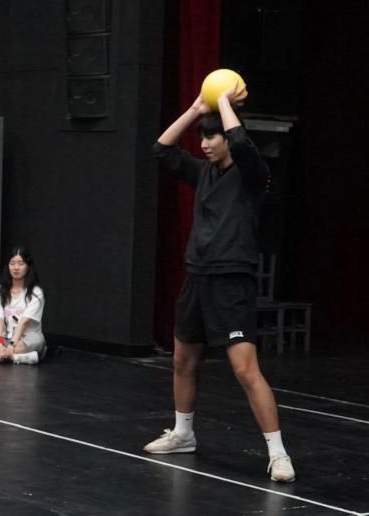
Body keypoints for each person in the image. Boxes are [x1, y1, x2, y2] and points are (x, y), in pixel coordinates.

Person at [142, 84, 295, 483]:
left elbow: (241, 142)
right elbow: (161, 149)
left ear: (226, 136)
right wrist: (196, 108)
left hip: (232, 281)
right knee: (182, 360)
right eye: (203, 138)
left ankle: (278, 453)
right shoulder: (203, 171)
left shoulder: (252, 174)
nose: (205, 145)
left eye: (212, 137)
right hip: (197, 276)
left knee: (245, 369)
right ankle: (183, 433)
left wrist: (224, 102)